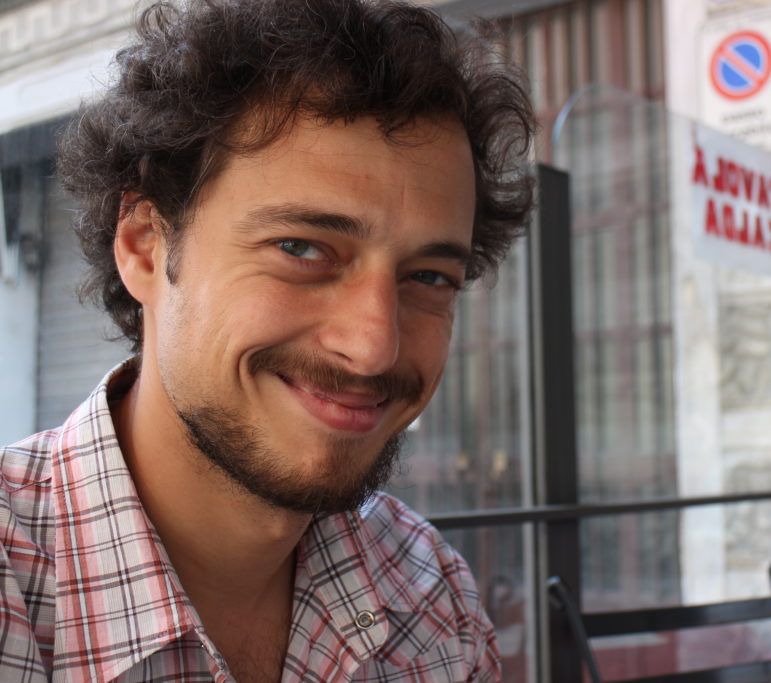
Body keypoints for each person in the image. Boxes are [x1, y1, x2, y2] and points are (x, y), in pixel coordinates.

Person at [0, 0, 534, 680]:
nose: (374, 345)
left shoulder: (430, 596)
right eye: (301, 248)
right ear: (142, 246)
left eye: (428, 276)